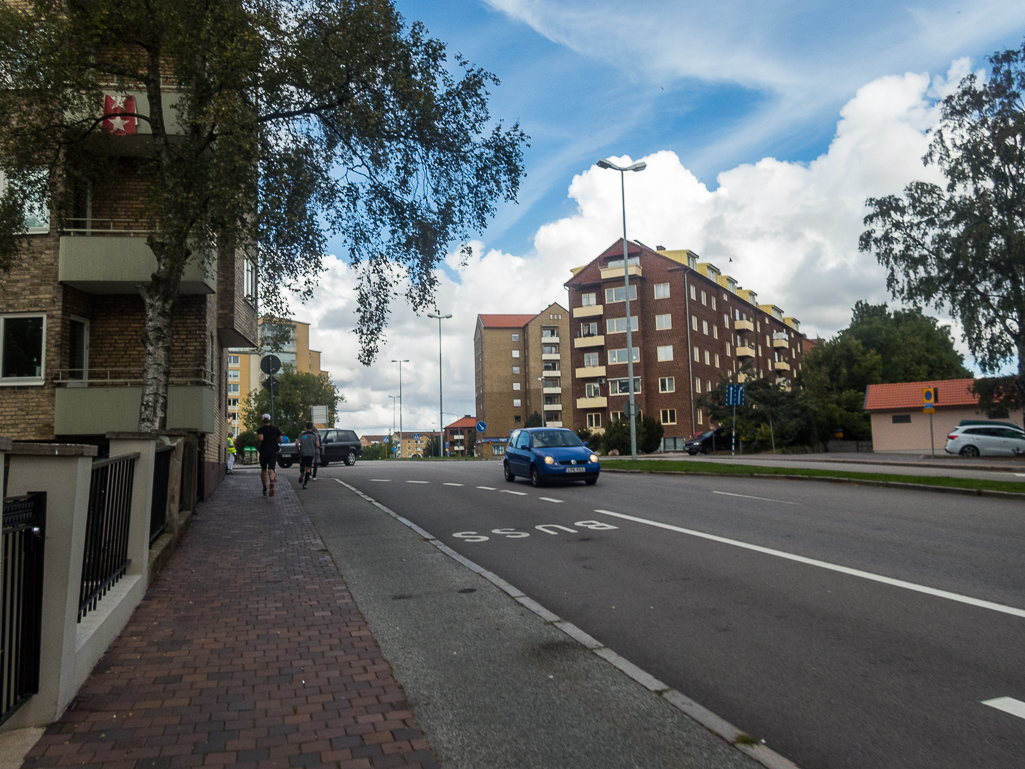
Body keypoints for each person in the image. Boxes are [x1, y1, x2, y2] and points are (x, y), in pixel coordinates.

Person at [256, 413, 283, 496]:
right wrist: (275, 441)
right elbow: (281, 440)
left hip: (264, 451)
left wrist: (259, 440)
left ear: (262, 421)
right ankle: (271, 480)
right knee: (271, 469)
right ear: (269, 420)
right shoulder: (275, 429)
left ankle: (264, 487)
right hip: (273, 451)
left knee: (263, 470)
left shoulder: (261, 429)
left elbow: (261, 438)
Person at [297, 422, 320, 489]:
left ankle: (302, 473)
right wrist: (314, 447)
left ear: (306, 427)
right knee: (308, 468)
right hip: (311, 453)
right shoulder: (315, 435)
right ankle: (305, 484)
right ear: (312, 427)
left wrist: (298, 449)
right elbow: (318, 445)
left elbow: (297, 443)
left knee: (302, 465)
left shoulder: (302, 435)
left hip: (303, 453)